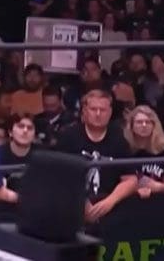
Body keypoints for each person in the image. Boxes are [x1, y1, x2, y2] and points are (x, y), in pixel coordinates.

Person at [55, 89, 137, 223]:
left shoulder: (119, 139)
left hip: (110, 207)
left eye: (102, 110)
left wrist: (110, 201)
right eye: (93, 109)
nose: (98, 114)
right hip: (72, 207)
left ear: (110, 112)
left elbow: (130, 180)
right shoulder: (68, 136)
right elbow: (58, 175)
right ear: (84, 111)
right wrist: (80, 200)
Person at [123, 106, 164, 198]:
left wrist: (157, 187)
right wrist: (136, 189)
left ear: (154, 125)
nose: (144, 125)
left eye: (148, 122)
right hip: (130, 198)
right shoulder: (124, 149)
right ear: (131, 126)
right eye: (139, 122)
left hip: (160, 197)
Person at [0, 114, 37, 203]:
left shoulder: (42, 157)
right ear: (10, 132)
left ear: (34, 135)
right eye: (20, 126)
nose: (25, 131)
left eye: (30, 128)